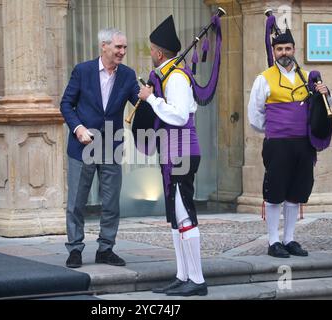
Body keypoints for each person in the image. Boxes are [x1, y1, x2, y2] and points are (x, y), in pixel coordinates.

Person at [137, 15, 207, 296]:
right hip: (172, 151)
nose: (151, 54)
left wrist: (151, 99)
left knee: (185, 214)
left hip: (182, 151)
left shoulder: (176, 77)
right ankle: (183, 275)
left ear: (159, 52)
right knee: (177, 218)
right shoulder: (170, 75)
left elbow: (179, 116)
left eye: (152, 50)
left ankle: (198, 280)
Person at [248, 28, 332, 258]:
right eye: (279, 49)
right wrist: (276, 129)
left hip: (303, 145)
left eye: (287, 48)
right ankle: (273, 241)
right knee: (275, 191)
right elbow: (255, 115)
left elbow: (324, 108)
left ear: (294, 50)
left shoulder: (308, 77)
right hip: (277, 143)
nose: (284, 52)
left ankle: (289, 239)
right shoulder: (263, 78)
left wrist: (325, 93)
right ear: (274, 52)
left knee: (296, 191)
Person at [60, 28, 140, 268]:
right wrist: (78, 128)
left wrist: (152, 93)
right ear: (104, 46)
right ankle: (75, 249)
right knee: (76, 202)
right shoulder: (82, 71)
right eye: (118, 47)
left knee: (111, 202)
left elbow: (139, 102)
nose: (122, 52)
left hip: (111, 146)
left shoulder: (127, 75)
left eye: (125, 47)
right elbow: (66, 104)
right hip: (82, 146)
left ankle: (106, 249)